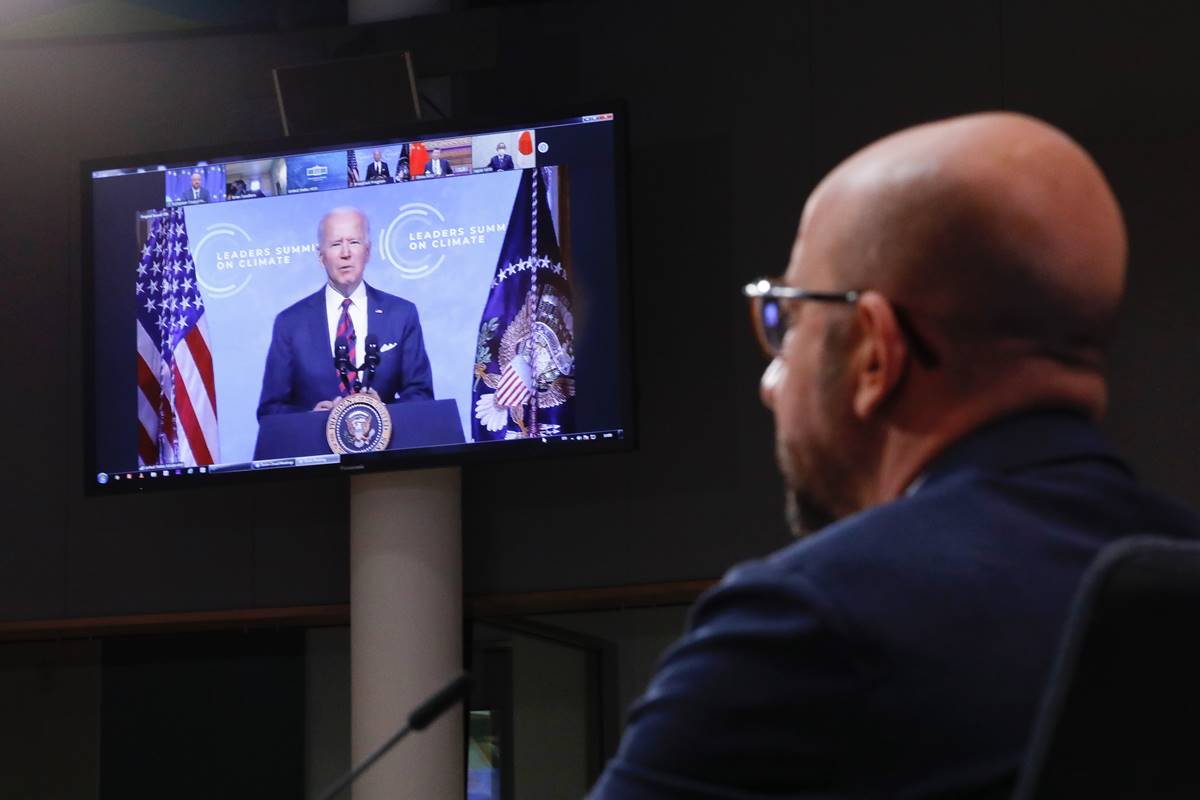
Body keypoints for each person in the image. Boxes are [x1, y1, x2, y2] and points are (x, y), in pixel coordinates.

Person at [587, 112, 1200, 798]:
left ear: (876, 351)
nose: (769, 383)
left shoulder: (805, 628)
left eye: (788, 321)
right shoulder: (1177, 577)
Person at [257, 206, 433, 418]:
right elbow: (270, 410)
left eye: (354, 242)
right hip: (318, 449)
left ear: (367, 251)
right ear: (321, 257)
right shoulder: (290, 323)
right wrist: (311, 419)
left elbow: (422, 396)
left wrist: (384, 412)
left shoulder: (401, 314)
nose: (346, 253)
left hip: (387, 448)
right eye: (336, 244)